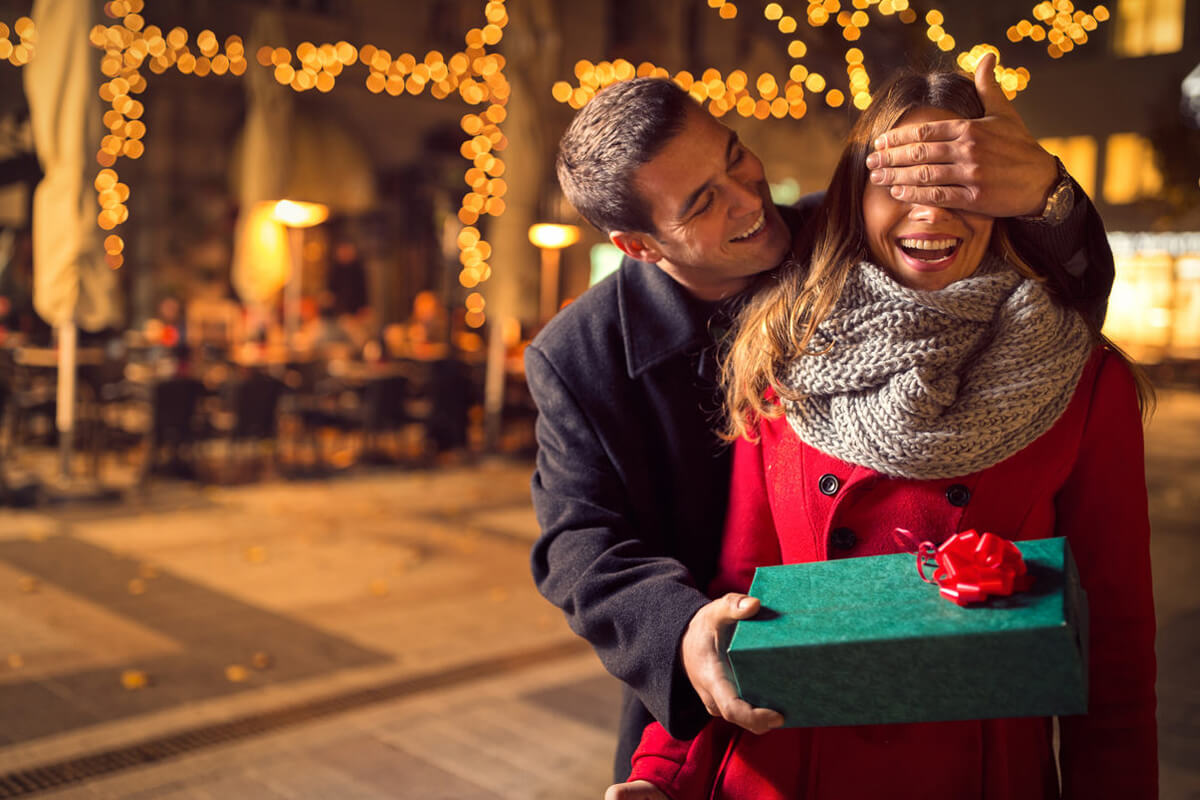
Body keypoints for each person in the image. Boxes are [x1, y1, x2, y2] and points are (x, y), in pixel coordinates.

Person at [528, 54, 1119, 780]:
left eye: (735, 155)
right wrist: (679, 632)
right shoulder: (577, 354)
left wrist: (1045, 193)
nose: (749, 199)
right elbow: (579, 542)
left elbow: (1047, 292)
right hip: (718, 689)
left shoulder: (837, 228)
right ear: (640, 247)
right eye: (702, 202)